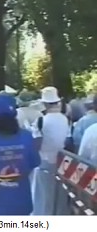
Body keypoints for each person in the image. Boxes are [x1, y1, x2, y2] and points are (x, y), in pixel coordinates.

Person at [31, 86, 70, 215]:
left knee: (44, 196)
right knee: (60, 196)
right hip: (62, 163)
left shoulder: (41, 121)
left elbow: (37, 143)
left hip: (45, 161)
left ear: (44, 103)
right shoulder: (65, 119)